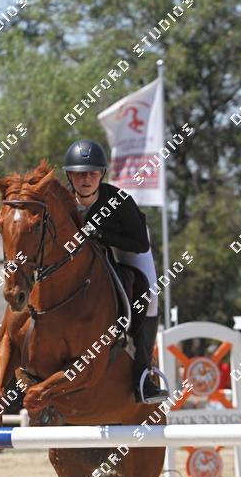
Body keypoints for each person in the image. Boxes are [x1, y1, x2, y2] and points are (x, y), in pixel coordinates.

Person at [62, 138, 168, 404]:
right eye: (79, 174)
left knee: (150, 297)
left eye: (92, 173)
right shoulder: (61, 202)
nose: (86, 179)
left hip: (127, 248)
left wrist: (100, 235)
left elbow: (141, 245)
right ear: (69, 176)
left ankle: (144, 376)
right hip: (85, 255)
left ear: (102, 174)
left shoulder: (119, 201)